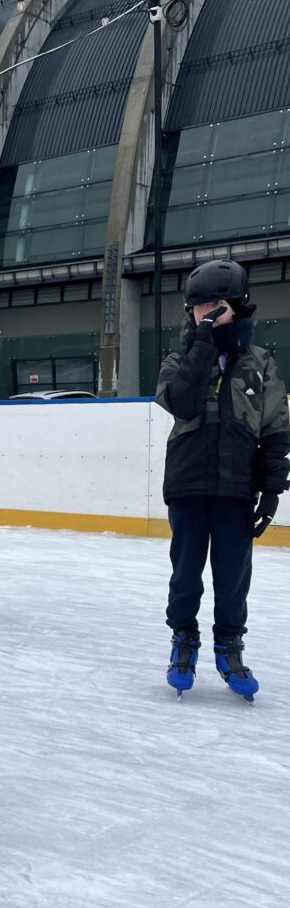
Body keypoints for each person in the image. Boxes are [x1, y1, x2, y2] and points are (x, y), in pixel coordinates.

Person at [156, 259, 289, 700]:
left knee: (233, 576)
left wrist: (270, 490)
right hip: (188, 486)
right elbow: (181, 403)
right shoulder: (178, 359)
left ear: (237, 307)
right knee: (186, 575)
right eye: (200, 307)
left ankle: (230, 645)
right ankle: (183, 640)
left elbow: (275, 430)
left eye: (218, 305)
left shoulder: (260, 364)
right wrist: (204, 346)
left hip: (236, 488)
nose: (207, 313)